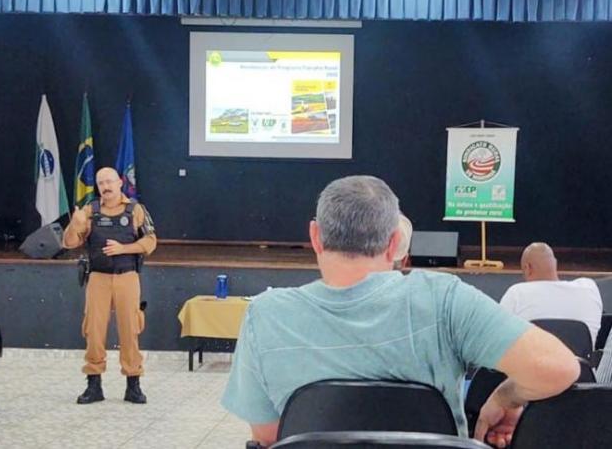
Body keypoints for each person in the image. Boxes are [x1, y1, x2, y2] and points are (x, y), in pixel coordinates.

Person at [221, 176, 579, 448]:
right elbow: (559, 369)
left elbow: (270, 436)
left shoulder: (265, 316)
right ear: (395, 242)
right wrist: (503, 397)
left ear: (315, 237)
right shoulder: (443, 298)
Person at [63, 167, 157, 404]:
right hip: (98, 278)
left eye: (109, 181)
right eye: (101, 182)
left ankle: (133, 384)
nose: (106, 186)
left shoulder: (135, 210)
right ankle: (94, 385)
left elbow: (151, 241)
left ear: (120, 183)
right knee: (93, 331)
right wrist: (75, 225)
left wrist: (124, 248)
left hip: (127, 276)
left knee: (130, 329)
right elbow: (69, 243)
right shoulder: (90, 211)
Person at [500, 242, 602, 343]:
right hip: (578, 359)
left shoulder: (517, 294)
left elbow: (498, 337)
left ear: (528, 268)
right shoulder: (589, 289)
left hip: (530, 358)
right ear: (555, 263)